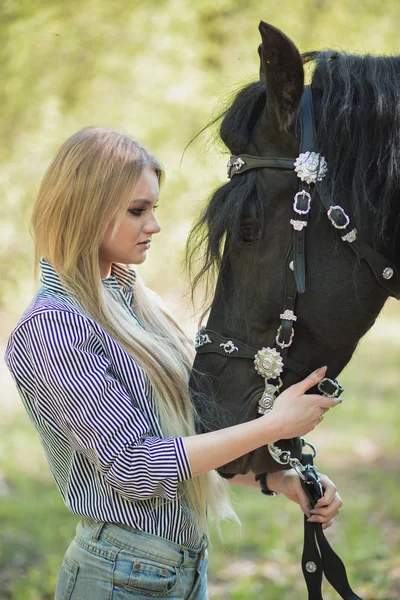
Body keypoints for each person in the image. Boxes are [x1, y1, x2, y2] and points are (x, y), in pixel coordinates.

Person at [5, 127, 342, 600]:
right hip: (120, 575)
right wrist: (273, 426)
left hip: (181, 569)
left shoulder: (133, 301)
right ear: (86, 209)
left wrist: (277, 479)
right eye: (137, 211)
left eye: (153, 210)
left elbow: (183, 440)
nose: (154, 226)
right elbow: (135, 466)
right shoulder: (54, 328)